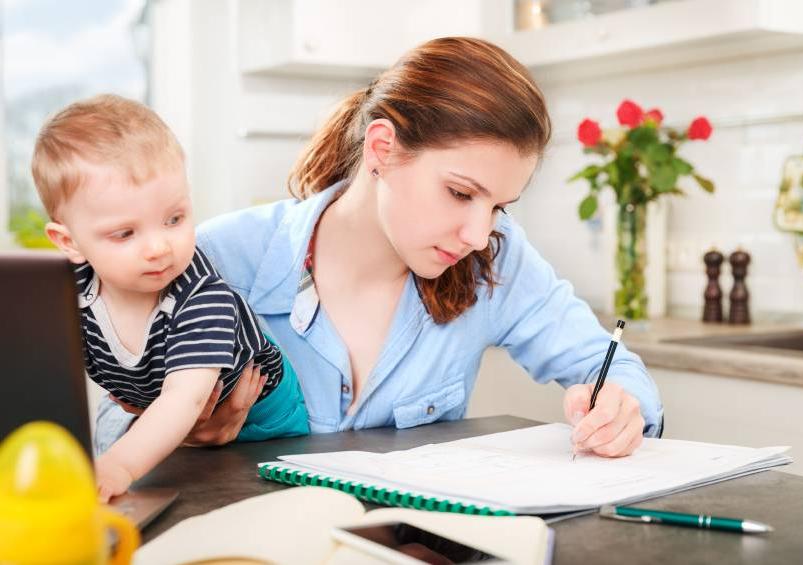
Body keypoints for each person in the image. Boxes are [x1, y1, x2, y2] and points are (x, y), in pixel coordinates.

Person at [98, 37, 663, 459]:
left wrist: (621, 406)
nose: (476, 233)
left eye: (498, 206)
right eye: (460, 192)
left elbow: (612, 368)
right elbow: (102, 433)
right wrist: (177, 435)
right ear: (383, 147)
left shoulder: (496, 255)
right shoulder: (215, 261)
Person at [32, 94, 309, 500]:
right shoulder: (69, 292)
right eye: (126, 233)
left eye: (174, 219)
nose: (159, 246)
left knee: (237, 493)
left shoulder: (202, 297)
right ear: (69, 241)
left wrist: (118, 466)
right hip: (167, 418)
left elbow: (184, 399)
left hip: (261, 420)